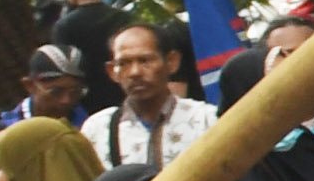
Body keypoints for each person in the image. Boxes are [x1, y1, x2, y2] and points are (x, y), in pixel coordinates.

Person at [81, 22, 215, 170]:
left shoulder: (206, 120)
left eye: (145, 61)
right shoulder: (97, 129)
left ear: (172, 62)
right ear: (112, 71)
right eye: (124, 63)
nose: (135, 72)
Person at [45, 0, 127, 116]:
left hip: (87, 104)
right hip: (125, 93)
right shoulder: (123, 18)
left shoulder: (65, 26)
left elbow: (63, 65)